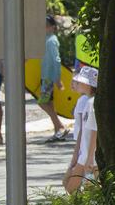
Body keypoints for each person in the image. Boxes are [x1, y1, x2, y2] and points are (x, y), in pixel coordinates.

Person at [65, 66, 98, 194]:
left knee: (72, 187)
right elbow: (83, 132)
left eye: (81, 82)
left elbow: (94, 131)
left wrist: (89, 157)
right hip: (85, 153)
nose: (77, 83)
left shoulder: (91, 103)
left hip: (89, 155)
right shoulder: (88, 101)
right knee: (75, 187)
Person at [40, 15, 70, 141]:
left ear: (53, 27)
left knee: (43, 102)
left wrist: (57, 79)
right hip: (46, 76)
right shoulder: (47, 39)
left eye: (47, 25)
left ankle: (60, 126)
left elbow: (57, 61)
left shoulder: (52, 40)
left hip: (49, 77)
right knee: (49, 103)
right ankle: (57, 128)